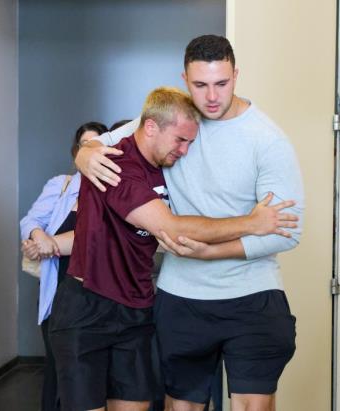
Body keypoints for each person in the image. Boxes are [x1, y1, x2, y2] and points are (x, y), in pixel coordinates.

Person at [75, 35, 304, 411]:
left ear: (236, 75)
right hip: (181, 298)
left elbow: (285, 230)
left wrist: (212, 252)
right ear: (184, 79)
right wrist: (86, 155)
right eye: (200, 85)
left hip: (253, 296)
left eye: (222, 83)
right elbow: (105, 146)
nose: (211, 96)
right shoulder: (172, 119)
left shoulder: (268, 140)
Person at [20, 121, 108, 411]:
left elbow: (98, 237)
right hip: (57, 294)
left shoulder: (113, 190)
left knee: (88, 375)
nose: (91, 151)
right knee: (58, 369)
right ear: (76, 152)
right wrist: (38, 237)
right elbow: (30, 221)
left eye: (98, 144)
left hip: (98, 295)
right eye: (85, 145)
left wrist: (50, 244)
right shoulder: (62, 185)